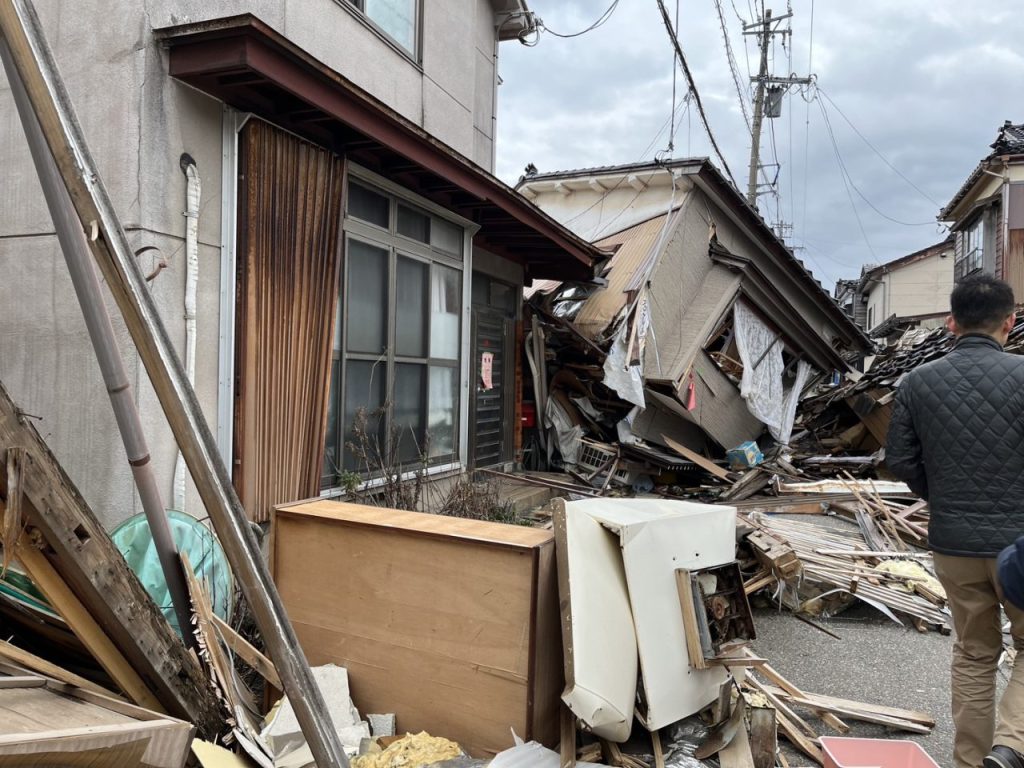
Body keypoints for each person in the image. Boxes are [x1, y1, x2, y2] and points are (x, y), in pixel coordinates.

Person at [887, 275, 1024, 768]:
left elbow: (899, 459)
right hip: (1021, 545)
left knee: (973, 652)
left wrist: (941, 495)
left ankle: (972, 761)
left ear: (951, 323)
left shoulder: (918, 381)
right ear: (1009, 321)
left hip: (954, 543)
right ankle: (1013, 746)